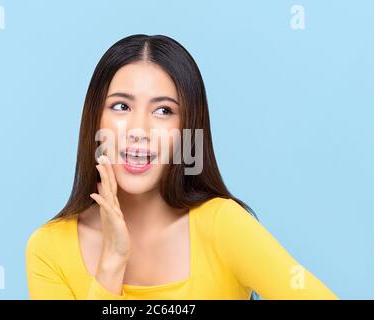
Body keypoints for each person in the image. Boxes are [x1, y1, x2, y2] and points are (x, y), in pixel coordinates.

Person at [25, 34, 338, 300]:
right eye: (121, 106)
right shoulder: (49, 248)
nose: (139, 129)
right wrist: (111, 262)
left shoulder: (224, 226)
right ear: (96, 119)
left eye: (163, 110)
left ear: (186, 130)